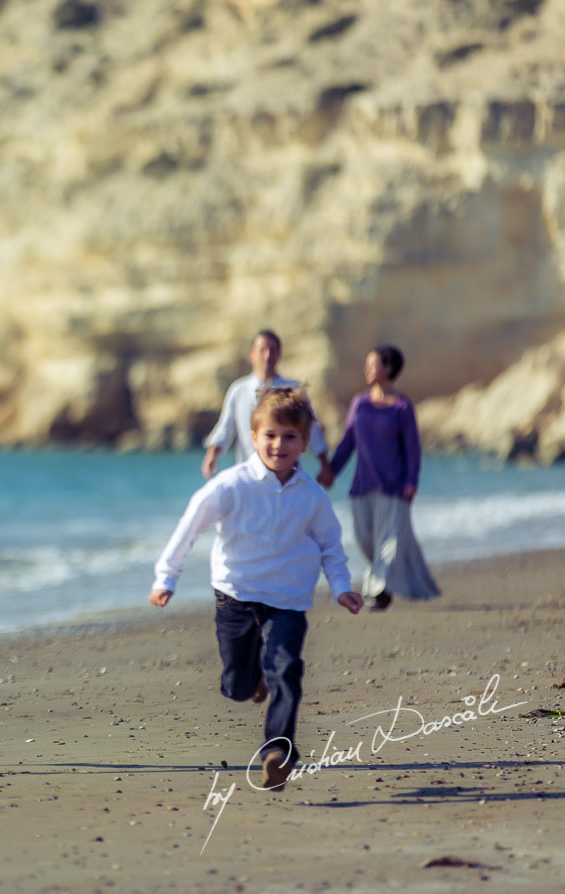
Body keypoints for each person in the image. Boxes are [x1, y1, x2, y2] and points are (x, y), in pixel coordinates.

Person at [150, 387, 363, 791]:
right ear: (253, 436)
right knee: (237, 685)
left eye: (289, 437)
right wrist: (167, 577)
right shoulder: (231, 485)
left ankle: (277, 752)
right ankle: (253, 683)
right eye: (270, 435)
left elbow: (330, 546)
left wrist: (341, 588)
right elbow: (189, 527)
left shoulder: (313, 497)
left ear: (304, 442)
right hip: (235, 595)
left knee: (288, 668)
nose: (278, 445)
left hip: (287, 600)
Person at [326, 345, 440, 610]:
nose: (366, 369)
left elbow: (413, 448)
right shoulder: (360, 403)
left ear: (387, 368)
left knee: (389, 543)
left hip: (394, 485)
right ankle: (384, 582)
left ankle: (378, 590)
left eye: (372, 364)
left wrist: (412, 480)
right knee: (365, 538)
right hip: (362, 484)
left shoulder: (402, 407)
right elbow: (347, 442)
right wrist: (331, 470)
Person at [202, 330, 333, 487]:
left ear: (279, 355)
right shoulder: (239, 390)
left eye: (273, 350)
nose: (268, 355)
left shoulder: (292, 390)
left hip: (286, 478)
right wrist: (211, 456)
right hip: (249, 478)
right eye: (263, 350)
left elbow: (311, 429)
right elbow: (225, 428)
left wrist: (324, 465)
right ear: (252, 355)